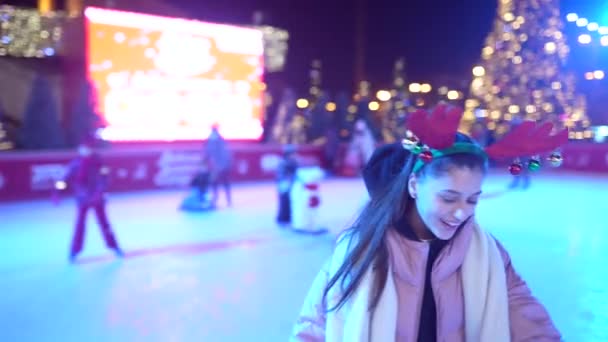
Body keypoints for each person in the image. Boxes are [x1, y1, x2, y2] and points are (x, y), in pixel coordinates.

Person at [291, 105, 565, 341]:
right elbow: (315, 327)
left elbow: (524, 314)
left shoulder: (489, 255)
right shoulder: (360, 247)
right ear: (414, 185)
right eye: (448, 198)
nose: (461, 213)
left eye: (472, 200)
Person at [62, 138, 123, 262]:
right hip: (82, 199)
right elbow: (65, 179)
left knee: (104, 224)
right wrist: (57, 191)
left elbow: (105, 178)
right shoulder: (75, 164)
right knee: (80, 225)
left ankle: (114, 246)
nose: (84, 150)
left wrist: (100, 191)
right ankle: (74, 250)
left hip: (97, 199)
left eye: (87, 148)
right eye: (82, 148)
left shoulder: (98, 162)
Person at [204, 124, 233, 207]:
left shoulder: (215, 139)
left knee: (218, 183)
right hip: (219, 166)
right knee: (220, 183)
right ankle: (223, 200)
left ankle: (220, 200)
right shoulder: (218, 139)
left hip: (219, 166)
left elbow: (208, 152)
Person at [276, 144, 299, 226]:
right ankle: (282, 219)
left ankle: (289, 218)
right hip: (284, 184)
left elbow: (297, 172)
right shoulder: (283, 162)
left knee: (291, 201)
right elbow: (281, 175)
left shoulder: (295, 161)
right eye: (292, 153)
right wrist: (287, 178)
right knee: (284, 201)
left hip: (293, 183)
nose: (294, 155)